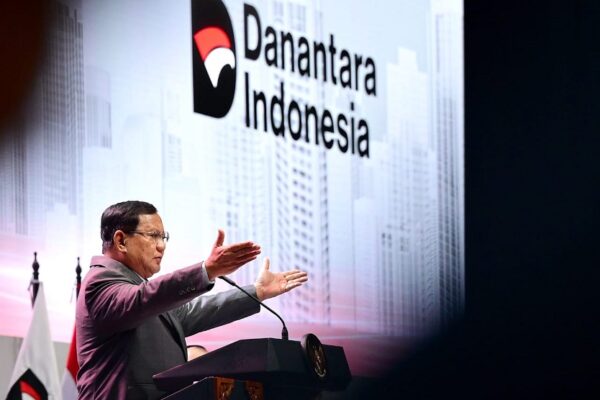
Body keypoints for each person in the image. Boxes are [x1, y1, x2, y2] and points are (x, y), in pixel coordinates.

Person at [75, 200, 308, 399]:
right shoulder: (100, 281)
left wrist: (257, 292)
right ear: (121, 240)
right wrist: (205, 271)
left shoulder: (139, 289)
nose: (161, 246)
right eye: (153, 236)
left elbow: (191, 312)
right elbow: (141, 299)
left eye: (164, 237)